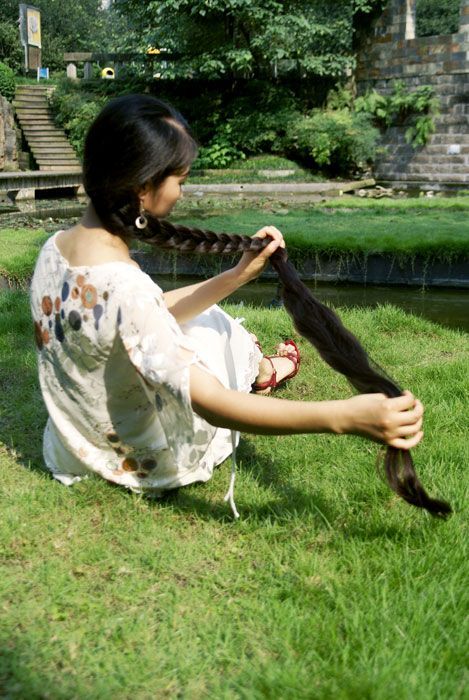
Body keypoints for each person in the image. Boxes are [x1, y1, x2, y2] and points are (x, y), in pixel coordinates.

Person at [30, 94, 426, 518]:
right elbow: (212, 402)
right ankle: (268, 369)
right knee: (218, 329)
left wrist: (236, 276)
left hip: (71, 448)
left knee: (202, 317)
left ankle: (263, 366)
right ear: (142, 186)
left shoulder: (54, 248)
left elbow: (140, 315)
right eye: (179, 180)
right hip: (133, 460)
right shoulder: (126, 287)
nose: (182, 192)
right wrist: (343, 416)